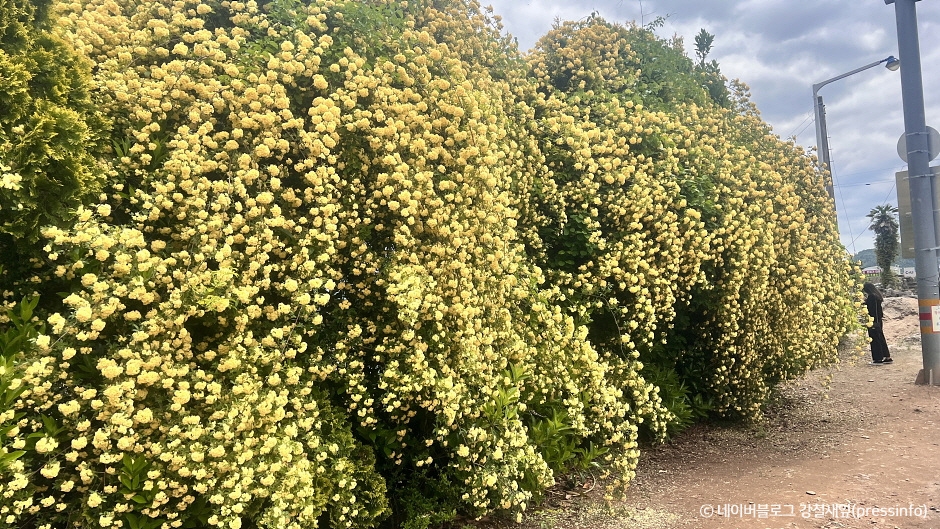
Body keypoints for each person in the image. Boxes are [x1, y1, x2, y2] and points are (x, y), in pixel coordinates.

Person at [863, 282, 892, 364]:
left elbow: (873, 310)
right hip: (878, 320)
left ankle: (878, 358)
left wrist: (874, 322)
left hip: (873, 320)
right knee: (880, 338)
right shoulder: (877, 296)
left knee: (875, 340)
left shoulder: (872, 297)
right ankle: (886, 357)